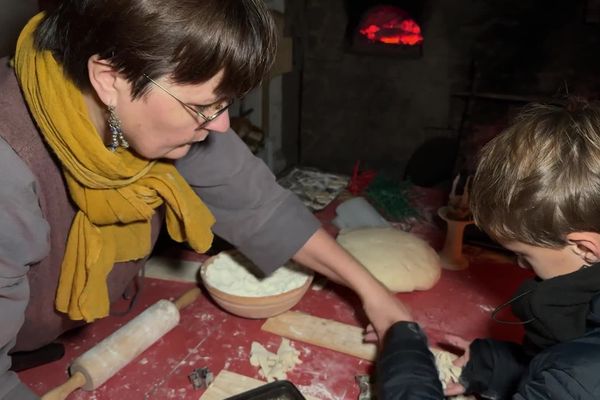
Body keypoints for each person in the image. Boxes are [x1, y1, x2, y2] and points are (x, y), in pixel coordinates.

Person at [0, 1, 413, 398]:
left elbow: (262, 208)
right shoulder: (9, 171)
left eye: (224, 103)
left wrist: (374, 295)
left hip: (91, 325)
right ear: (109, 80)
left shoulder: (158, 110)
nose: (221, 125)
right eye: (201, 106)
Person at [376, 100, 600, 399]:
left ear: (586, 248)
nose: (520, 265)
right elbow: (574, 352)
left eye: (525, 255)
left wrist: (404, 354)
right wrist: (498, 367)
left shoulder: (580, 379)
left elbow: (574, 377)